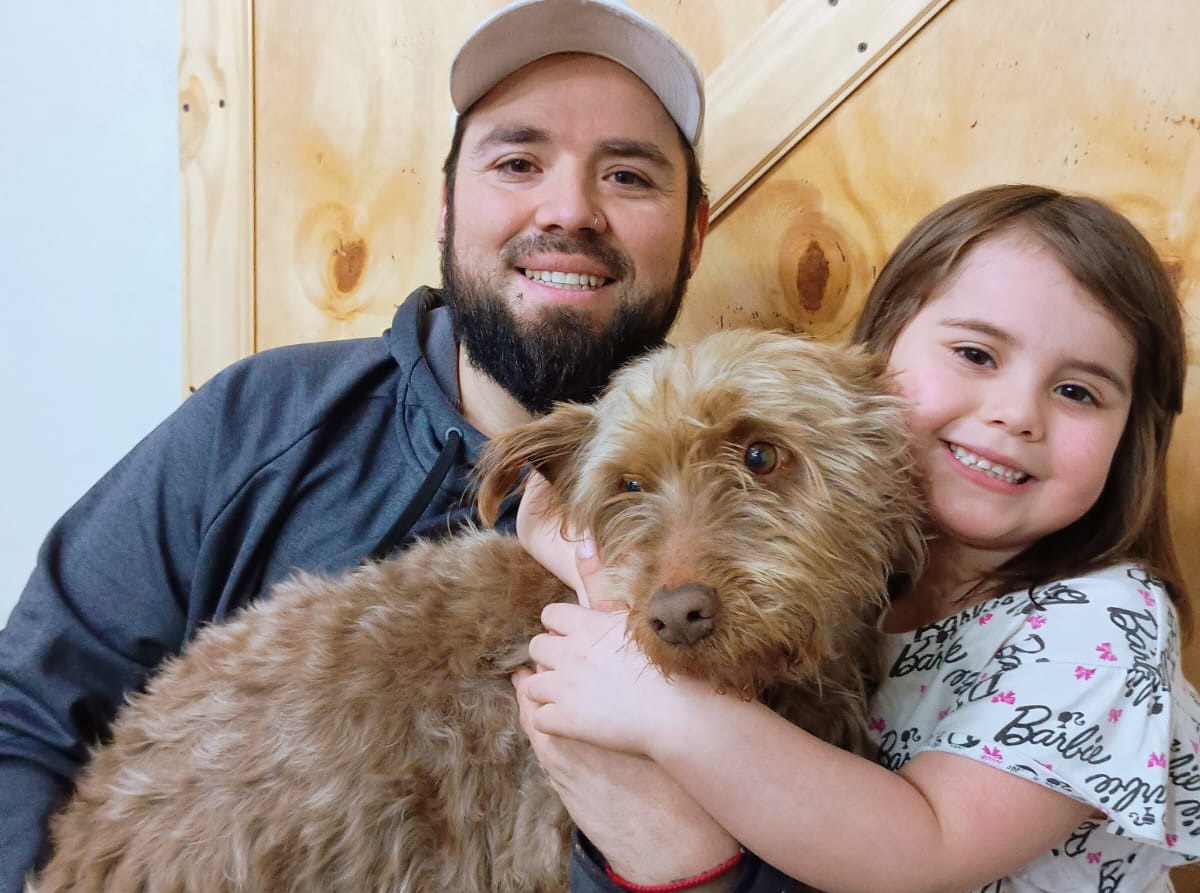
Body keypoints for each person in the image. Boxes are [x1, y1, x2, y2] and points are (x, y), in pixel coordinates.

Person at [0, 1, 735, 889]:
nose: (570, 207)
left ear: (694, 233)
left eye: (626, 176)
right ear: (446, 206)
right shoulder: (261, 419)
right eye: (518, 162)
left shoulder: (749, 505)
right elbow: (28, 712)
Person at [515, 183, 1200, 892]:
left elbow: (926, 848)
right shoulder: (868, 583)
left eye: (1078, 392)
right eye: (975, 353)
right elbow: (556, 492)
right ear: (873, 362)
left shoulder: (1104, 624)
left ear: (1130, 441)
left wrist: (667, 711)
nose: (1016, 414)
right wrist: (580, 550)